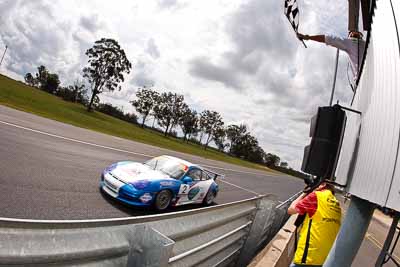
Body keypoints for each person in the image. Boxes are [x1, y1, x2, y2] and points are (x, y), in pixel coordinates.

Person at [287, 182, 342, 267]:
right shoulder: (336, 203)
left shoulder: (316, 196)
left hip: (308, 256)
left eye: (316, 184)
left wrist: (305, 192)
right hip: (323, 258)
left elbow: (291, 210)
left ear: (323, 184)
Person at [297, 31, 365, 85]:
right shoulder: (366, 43)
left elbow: (328, 39)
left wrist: (308, 37)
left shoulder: (350, 42)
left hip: (361, 79)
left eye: (350, 34)